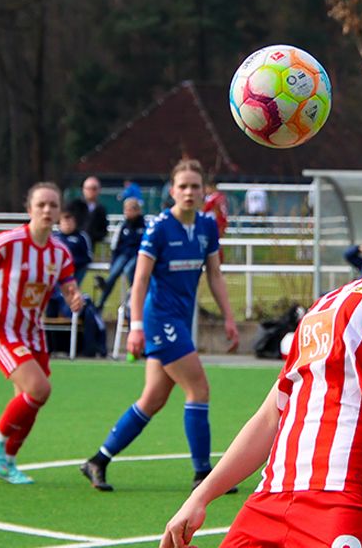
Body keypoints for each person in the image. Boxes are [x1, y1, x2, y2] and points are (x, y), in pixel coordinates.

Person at [158, 138, 362, 548]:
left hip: (350, 496)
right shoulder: (328, 301)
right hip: (271, 496)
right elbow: (272, 414)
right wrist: (201, 496)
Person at [80, 158, 242, 493]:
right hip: (159, 320)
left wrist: (228, 316)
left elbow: (214, 274)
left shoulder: (207, 226)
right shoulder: (158, 228)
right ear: (172, 191)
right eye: (182, 186)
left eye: (195, 186)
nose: (189, 192)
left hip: (180, 320)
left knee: (152, 399)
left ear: (203, 192)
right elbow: (139, 281)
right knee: (199, 389)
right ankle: (203, 475)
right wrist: (135, 326)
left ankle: (98, 460)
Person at [0, 182, 84, 485]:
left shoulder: (60, 252)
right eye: (41, 205)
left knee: (30, 398)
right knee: (39, 389)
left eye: (53, 205)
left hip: (33, 332)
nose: (47, 210)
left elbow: (68, 284)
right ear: (29, 209)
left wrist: (74, 297)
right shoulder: (10, 241)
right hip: (1, 329)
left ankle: (7, 460)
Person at [94, 197, 144, 311]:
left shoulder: (144, 226)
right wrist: (113, 262)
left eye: (131, 209)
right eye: (126, 209)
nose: (128, 212)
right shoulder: (123, 226)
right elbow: (116, 247)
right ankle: (100, 304)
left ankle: (135, 294)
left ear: (138, 210)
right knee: (113, 274)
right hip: (124, 255)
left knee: (128, 270)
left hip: (137, 255)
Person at [54, 209, 92, 287]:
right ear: (60, 224)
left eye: (70, 222)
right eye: (65, 222)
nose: (67, 225)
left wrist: (73, 262)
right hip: (58, 269)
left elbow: (88, 256)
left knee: (71, 290)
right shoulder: (54, 237)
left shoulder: (81, 237)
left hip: (77, 268)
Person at [68, 176, 109, 247]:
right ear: (83, 189)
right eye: (88, 188)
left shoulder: (101, 209)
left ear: (99, 190)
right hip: (73, 243)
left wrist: (93, 236)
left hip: (92, 245)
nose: (91, 191)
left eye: (94, 189)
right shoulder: (74, 206)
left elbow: (103, 230)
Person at [202, 180, 228, 262]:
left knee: (214, 244)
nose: (205, 190)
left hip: (217, 223)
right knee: (217, 244)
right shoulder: (221, 196)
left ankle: (217, 263)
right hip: (222, 222)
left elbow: (205, 209)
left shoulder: (213, 198)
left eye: (206, 188)